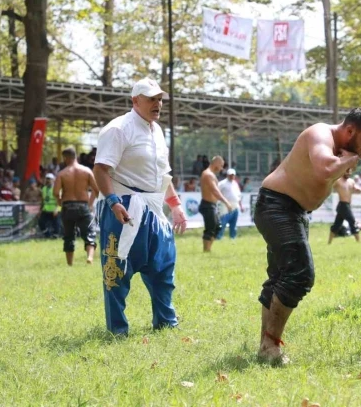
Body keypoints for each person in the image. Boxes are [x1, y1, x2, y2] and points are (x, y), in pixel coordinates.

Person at [253, 107, 361, 364]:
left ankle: (266, 346)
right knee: (299, 275)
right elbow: (325, 168)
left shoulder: (358, 141)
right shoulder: (319, 134)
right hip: (275, 205)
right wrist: (350, 159)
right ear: (350, 130)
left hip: (294, 210)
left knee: (280, 276)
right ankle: (270, 346)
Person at [93, 77, 188, 336]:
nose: (157, 103)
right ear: (135, 100)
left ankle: (166, 322)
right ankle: (118, 330)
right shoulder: (119, 128)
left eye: (160, 99)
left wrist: (175, 205)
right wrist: (112, 202)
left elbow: (162, 175)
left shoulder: (156, 130)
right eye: (151, 99)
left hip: (154, 207)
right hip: (123, 204)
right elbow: (100, 169)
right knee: (117, 270)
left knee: (163, 265)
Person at [54, 147, 99, 266]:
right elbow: (96, 189)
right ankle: (89, 257)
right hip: (83, 205)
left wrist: (59, 201)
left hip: (68, 206)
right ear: (76, 157)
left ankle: (70, 263)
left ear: (65, 158)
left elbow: (55, 192)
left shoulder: (62, 173)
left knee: (68, 235)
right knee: (89, 232)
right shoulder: (86, 171)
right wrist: (90, 203)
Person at [199, 156, 235, 252]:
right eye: (221, 165)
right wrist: (226, 202)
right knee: (210, 228)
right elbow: (215, 191)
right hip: (207, 205)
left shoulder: (211, 174)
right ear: (216, 163)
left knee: (217, 226)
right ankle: (206, 250)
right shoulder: (208, 174)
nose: (222, 168)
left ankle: (208, 249)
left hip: (212, 205)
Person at [328, 170, 361, 244]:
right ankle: (359, 242)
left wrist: (358, 190)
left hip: (347, 205)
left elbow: (355, 189)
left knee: (337, 225)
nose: (348, 173)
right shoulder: (338, 181)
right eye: (346, 171)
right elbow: (329, 185)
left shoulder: (351, 181)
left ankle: (329, 243)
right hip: (343, 205)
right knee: (352, 222)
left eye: (349, 172)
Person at [216, 168, 245, 241]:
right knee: (223, 222)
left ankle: (233, 237)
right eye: (230, 175)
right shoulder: (222, 183)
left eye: (233, 175)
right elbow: (216, 192)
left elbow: (238, 196)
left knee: (233, 223)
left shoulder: (235, 184)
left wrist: (241, 206)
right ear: (227, 175)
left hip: (235, 205)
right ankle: (219, 237)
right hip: (225, 205)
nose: (232, 176)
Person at [39, 173, 60, 238]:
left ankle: (55, 236)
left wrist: (56, 209)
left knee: (56, 224)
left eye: (49, 179)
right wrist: (40, 209)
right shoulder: (44, 188)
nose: (48, 181)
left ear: (53, 180)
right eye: (47, 179)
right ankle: (47, 234)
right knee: (41, 222)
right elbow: (43, 200)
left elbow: (59, 200)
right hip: (45, 209)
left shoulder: (56, 188)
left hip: (54, 210)